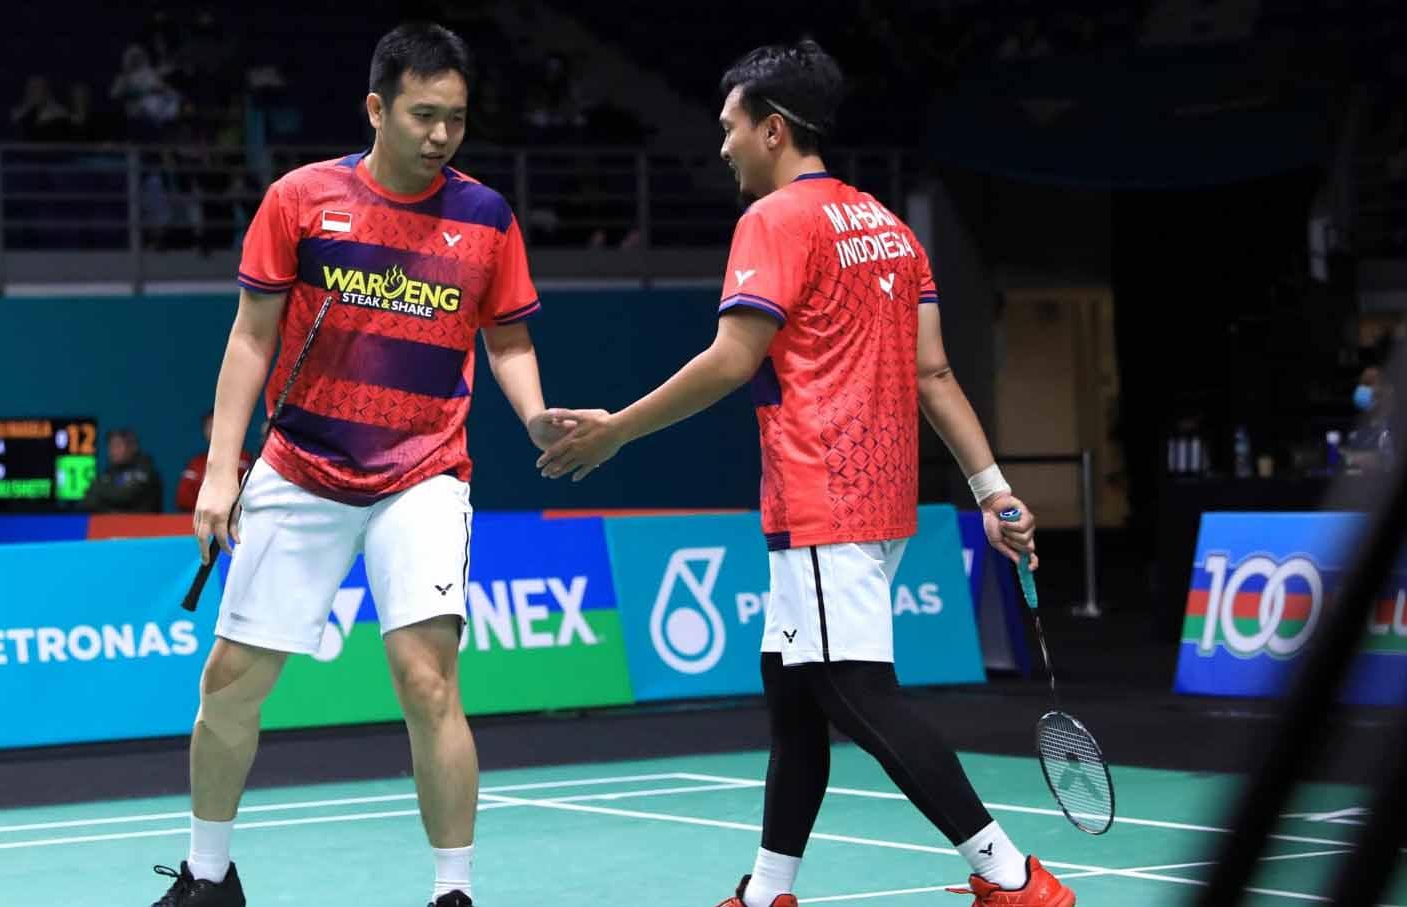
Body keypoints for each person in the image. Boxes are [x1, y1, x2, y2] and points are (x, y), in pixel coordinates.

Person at [536, 40, 1075, 907]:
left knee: (856, 690)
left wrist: (618, 432)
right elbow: (933, 373)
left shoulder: (775, 222)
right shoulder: (892, 229)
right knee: (794, 698)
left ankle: (1010, 874)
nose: (722, 146)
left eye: (730, 128)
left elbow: (730, 357)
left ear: (774, 130)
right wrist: (992, 489)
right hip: (880, 499)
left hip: (823, 493)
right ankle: (768, 892)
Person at [150, 22, 564, 907]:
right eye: (423, 114)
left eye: (455, 117)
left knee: (427, 680)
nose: (441, 135)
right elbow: (251, 336)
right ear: (376, 108)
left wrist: (534, 415)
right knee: (229, 683)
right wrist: (223, 469)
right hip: (301, 466)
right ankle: (209, 878)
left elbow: (510, 339)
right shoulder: (303, 200)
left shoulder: (485, 217)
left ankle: (453, 892)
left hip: (423, 470)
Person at [176, 409, 252, 513]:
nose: (214, 430)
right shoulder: (196, 463)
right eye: (210, 426)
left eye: (218, 425)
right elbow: (183, 498)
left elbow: (247, 495)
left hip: (236, 519)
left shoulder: (244, 459)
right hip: (200, 519)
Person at [85, 427, 163, 513]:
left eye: (118, 445)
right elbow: (87, 503)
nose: (113, 451)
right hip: (109, 525)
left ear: (133, 447)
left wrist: (99, 491)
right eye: (111, 446)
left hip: (141, 525)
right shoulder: (107, 474)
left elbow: (125, 496)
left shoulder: (146, 470)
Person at [1344, 365, 1396, 473]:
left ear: (1388, 389)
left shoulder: (1398, 425)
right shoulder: (1359, 428)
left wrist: (1349, 458)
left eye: (1369, 383)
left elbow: (1386, 461)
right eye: (1363, 384)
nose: (1363, 389)